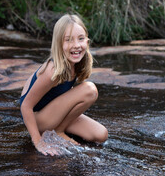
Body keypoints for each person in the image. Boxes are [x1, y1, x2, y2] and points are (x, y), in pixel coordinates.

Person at [20, 14, 108, 156]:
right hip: (38, 119)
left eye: (81, 39)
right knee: (89, 90)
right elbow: (25, 106)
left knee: (101, 134)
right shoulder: (52, 70)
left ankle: (59, 129)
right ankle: (58, 132)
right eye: (68, 40)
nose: (76, 45)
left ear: (87, 41)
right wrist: (37, 141)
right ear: (59, 44)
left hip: (54, 116)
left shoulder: (76, 64)